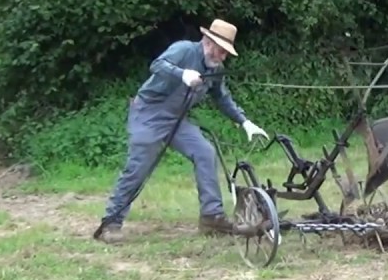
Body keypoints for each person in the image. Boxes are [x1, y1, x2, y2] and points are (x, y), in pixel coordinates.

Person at [94, 18, 269, 244]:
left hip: (177, 119)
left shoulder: (215, 67)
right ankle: (111, 223)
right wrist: (182, 74)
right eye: (222, 51)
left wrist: (244, 121)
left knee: (205, 152)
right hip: (148, 114)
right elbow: (157, 65)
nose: (223, 56)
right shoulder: (184, 50)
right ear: (208, 42)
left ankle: (211, 218)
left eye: (226, 53)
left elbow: (221, 97)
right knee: (139, 167)